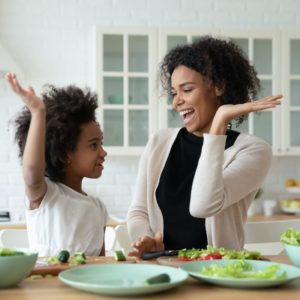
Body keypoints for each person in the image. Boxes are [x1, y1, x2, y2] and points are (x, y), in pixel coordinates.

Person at [127, 36, 282, 257]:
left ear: (218, 87)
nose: (176, 102)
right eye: (174, 93)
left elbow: (202, 206)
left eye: (187, 89)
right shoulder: (159, 142)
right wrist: (148, 241)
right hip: (163, 269)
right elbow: (138, 211)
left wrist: (219, 123)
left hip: (218, 274)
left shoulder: (253, 151)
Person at [6, 73, 108, 257]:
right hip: (48, 285)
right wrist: (38, 112)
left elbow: (101, 262)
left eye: (101, 143)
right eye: (94, 145)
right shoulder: (47, 196)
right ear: (64, 155)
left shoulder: (98, 207)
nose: (103, 152)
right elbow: (30, 172)